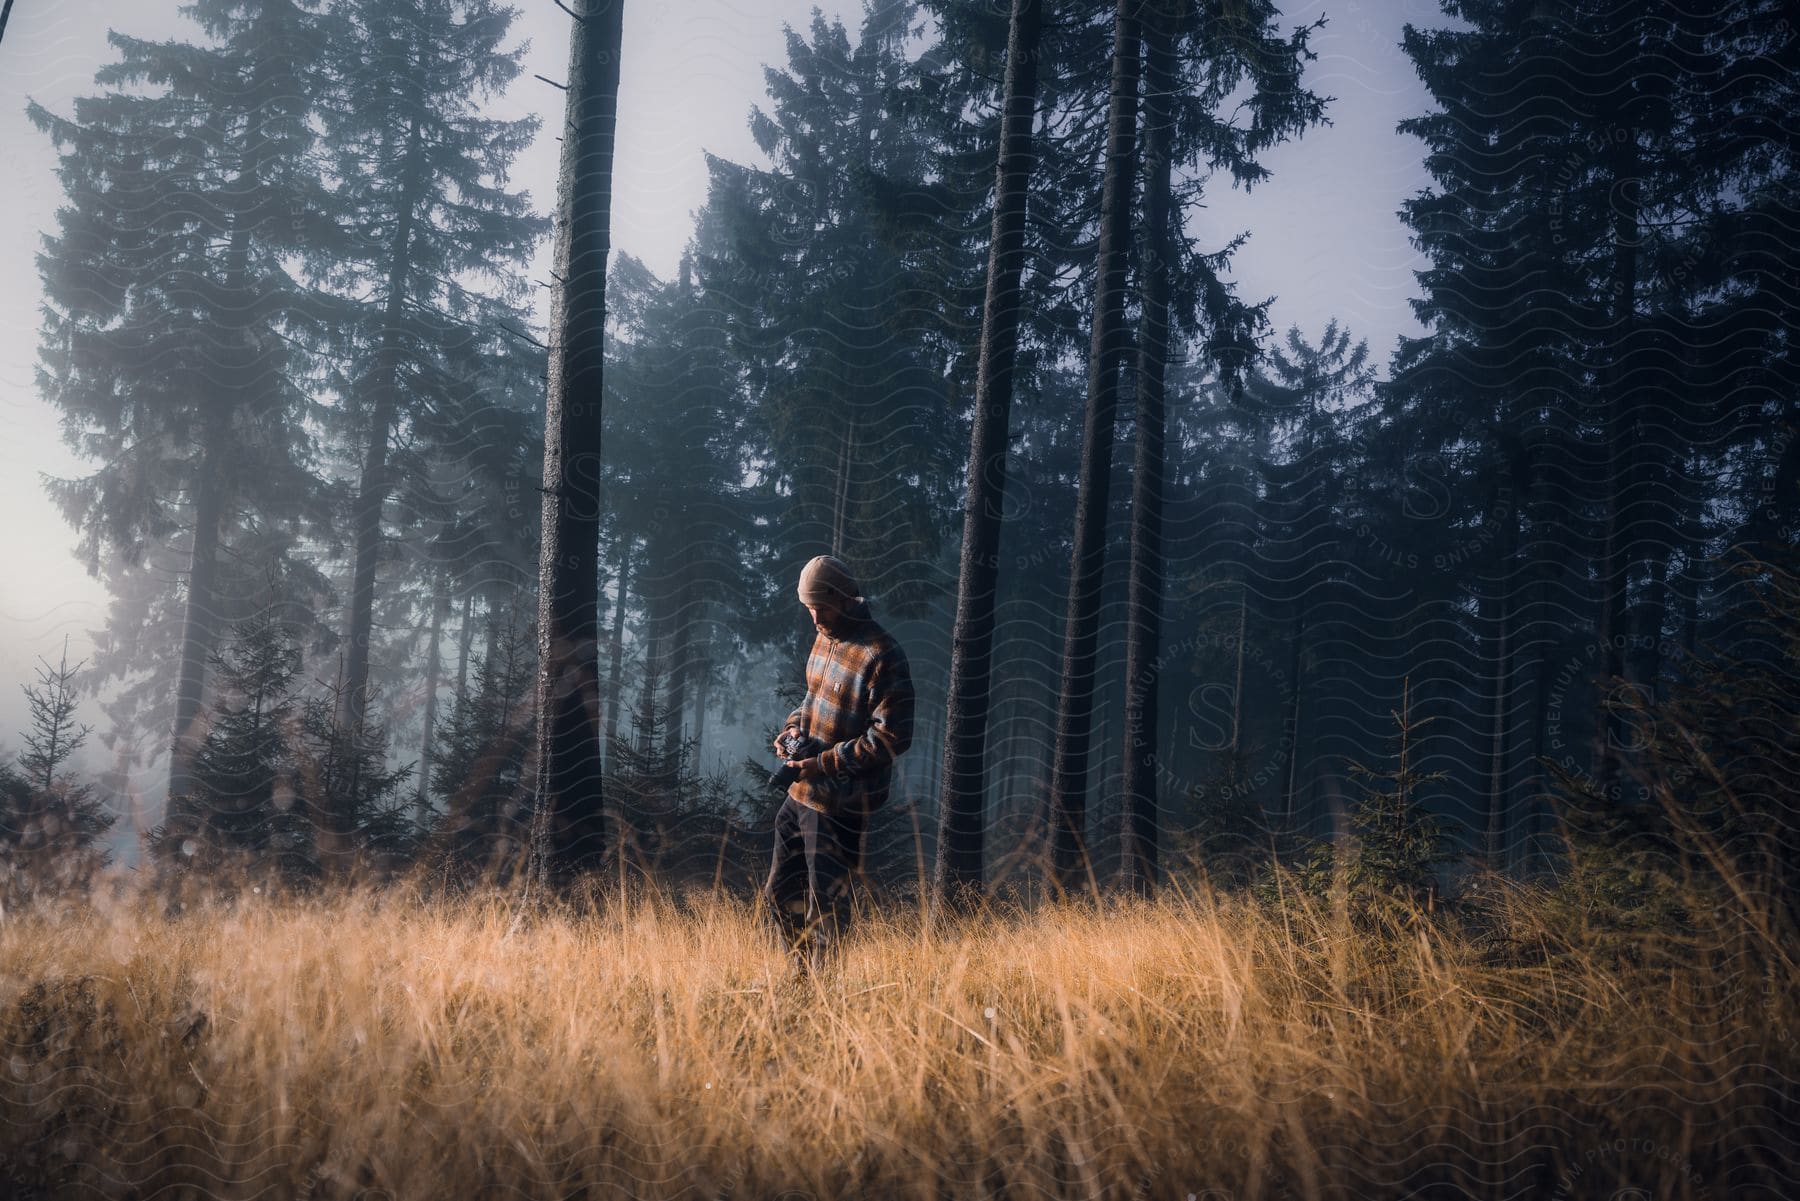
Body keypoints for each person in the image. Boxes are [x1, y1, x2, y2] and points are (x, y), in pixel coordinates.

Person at [763, 554, 914, 975]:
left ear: (844, 598)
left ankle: (824, 994)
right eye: (808, 608)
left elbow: (892, 737)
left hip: (841, 805)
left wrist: (824, 764)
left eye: (819, 607)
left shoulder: (883, 655)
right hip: (800, 794)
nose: (813, 617)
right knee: (779, 895)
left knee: (826, 906)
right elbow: (810, 700)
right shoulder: (825, 639)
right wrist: (792, 730)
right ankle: (799, 976)